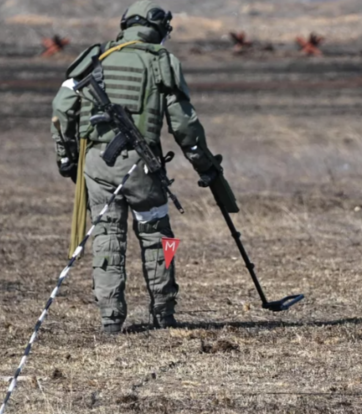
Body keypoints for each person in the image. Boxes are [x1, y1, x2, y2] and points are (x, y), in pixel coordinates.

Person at [50, 1, 233, 333]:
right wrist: (203, 165)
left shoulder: (96, 56)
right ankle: (163, 312)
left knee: (106, 237)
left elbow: (62, 108)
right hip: (142, 169)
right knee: (160, 236)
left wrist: (67, 157)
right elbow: (185, 127)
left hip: (97, 166)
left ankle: (110, 319)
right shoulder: (162, 62)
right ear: (160, 28)